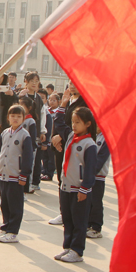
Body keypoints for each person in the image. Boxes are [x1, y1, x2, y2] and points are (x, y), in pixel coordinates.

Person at [52, 106, 97, 263]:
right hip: (66, 187)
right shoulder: (71, 136)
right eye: (72, 122)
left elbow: (91, 170)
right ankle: (67, 247)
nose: (74, 125)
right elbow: (58, 124)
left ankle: (77, 250)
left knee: (79, 220)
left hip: (79, 189)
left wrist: (84, 188)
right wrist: (62, 105)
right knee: (68, 219)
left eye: (78, 122)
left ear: (88, 124)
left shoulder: (89, 144)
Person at [0, 105, 34, 243]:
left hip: (16, 175)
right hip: (4, 175)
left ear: (23, 118)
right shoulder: (4, 133)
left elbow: (28, 157)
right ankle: (5, 226)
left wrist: (24, 175)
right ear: (8, 117)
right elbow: (0, 152)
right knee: (5, 203)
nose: (15, 119)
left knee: (15, 204)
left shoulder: (25, 135)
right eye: (13, 116)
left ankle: (13, 231)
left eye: (19, 116)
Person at [18, 72, 47, 194]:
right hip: (20, 130)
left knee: (32, 159)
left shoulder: (38, 98)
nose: (34, 83)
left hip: (33, 131)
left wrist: (43, 131)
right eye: (32, 81)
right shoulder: (21, 95)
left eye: (37, 81)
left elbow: (42, 115)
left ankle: (28, 184)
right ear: (26, 82)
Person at [87, 126, 111, 239]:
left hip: (98, 176)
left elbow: (102, 158)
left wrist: (92, 171)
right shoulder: (91, 136)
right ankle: (87, 224)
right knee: (88, 201)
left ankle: (96, 228)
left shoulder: (106, 138)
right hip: (88, 175)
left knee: (96, 202)